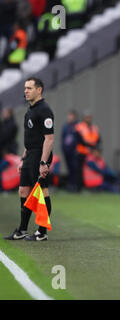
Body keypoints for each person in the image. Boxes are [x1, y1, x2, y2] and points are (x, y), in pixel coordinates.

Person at [4, 77, 54, 241]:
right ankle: (22, 230)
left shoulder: (44, 110)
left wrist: (43, 162)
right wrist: (23, 158)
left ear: (39, 90)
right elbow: (30, 137)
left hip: (40, 155)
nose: (25, 91)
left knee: (41, 192)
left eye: (29, 88)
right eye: (25, 88)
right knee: (23, 191)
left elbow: (49, 139)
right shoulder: (30, 110)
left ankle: (42, 232)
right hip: (30, 154)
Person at [74, 111, 101, 192]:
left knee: (92, 171)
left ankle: (92, 186)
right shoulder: (79, 127)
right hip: (82, 152)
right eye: (86, 117)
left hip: (92, 153)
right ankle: (79, 187)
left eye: (89, 117)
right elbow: (79, 140)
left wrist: (96, 149)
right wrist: (91, 146)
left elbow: (99, 139)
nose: (88, 119)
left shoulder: (94, 127)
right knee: (79, 171)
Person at [61, 110, 78, 191]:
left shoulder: (77, 126)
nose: (70, 117)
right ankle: (70, 185)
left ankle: (75, 185)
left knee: (74, 168)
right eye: (69, 115)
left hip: (74, 151)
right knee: (69, 168)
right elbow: (63, 138)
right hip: (67, 151)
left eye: (71, 116)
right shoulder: (65, 126)